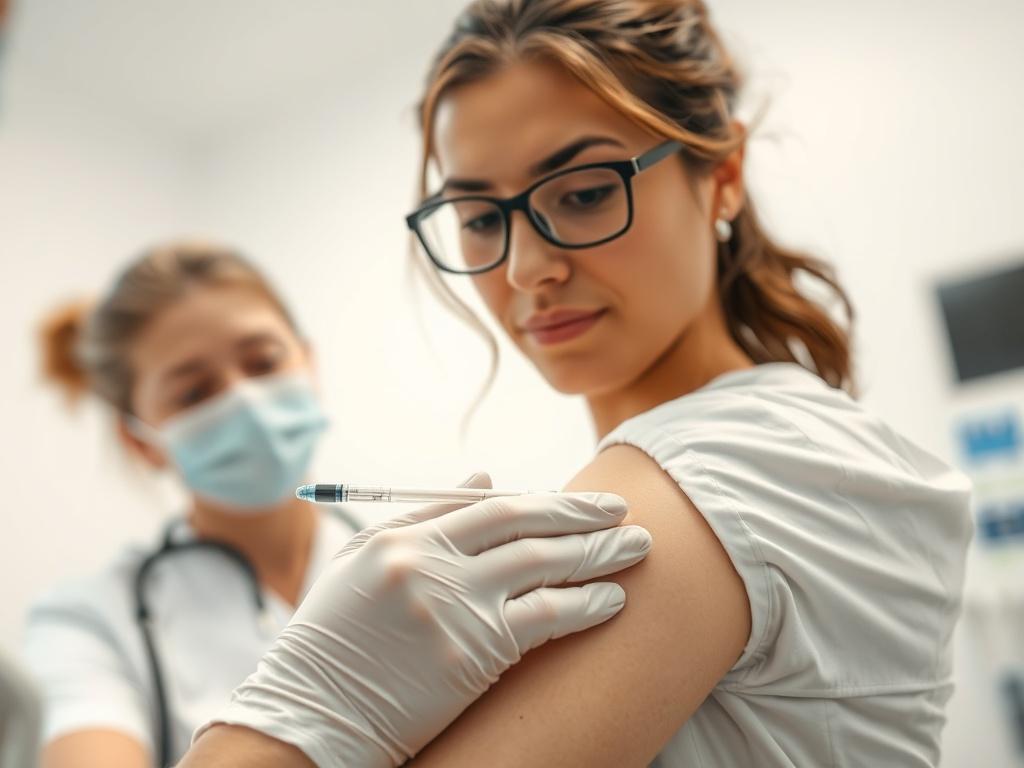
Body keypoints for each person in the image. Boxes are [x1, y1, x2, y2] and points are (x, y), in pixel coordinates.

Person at [382, 0, 969, 765]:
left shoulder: (719, 470)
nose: (527, 270)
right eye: (482, 217)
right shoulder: (761, 442)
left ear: (722, 176)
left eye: (585, 192)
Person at [27, 241, 653, 768]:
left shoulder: (418, 561)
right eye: (195, 391)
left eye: (263, 361)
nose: (246, 400)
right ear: (142, 441)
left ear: (309, 363)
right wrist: (313, 700)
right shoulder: (90, 619)